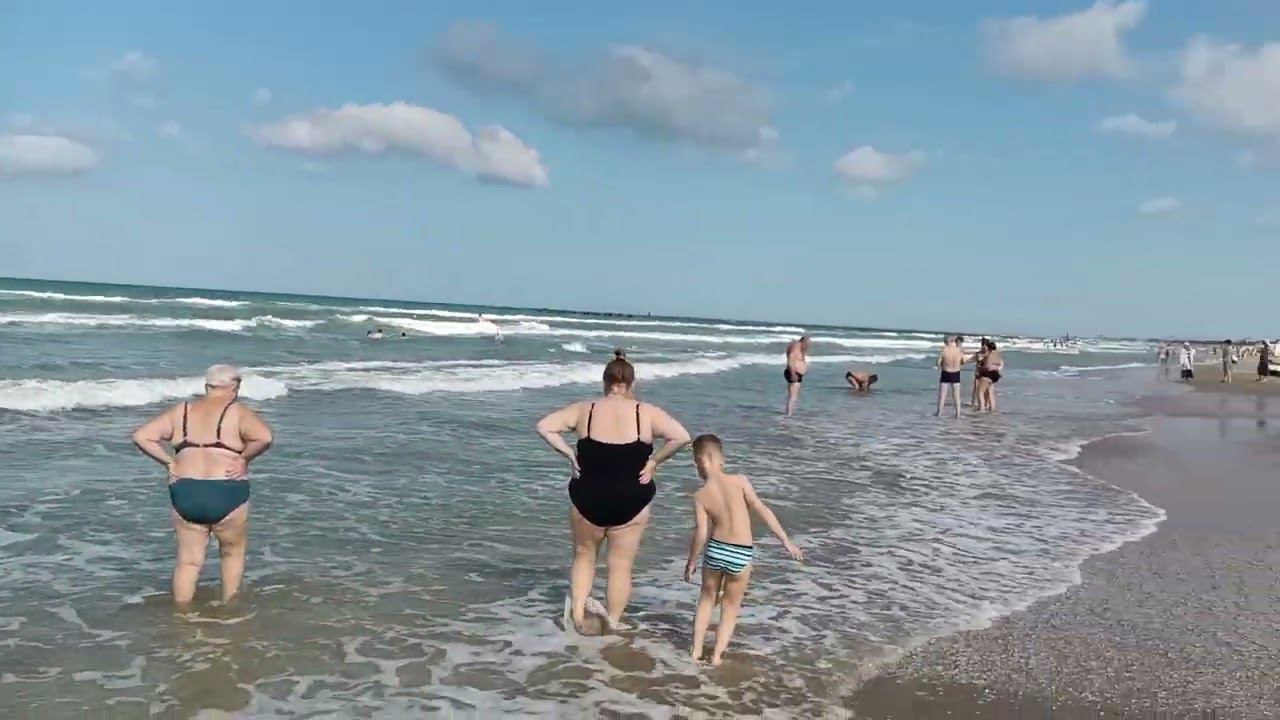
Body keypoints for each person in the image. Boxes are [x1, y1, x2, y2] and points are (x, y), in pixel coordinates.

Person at [535, 351, 692, 633]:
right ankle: (614, 623)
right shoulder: (645, 412)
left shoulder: (585, 410)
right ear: (632, 384)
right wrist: (654, 461)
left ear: (604, 382)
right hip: (632, 500)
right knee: (620, 566)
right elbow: (682, 437)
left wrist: (570, 454)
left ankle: (578, 619)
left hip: (587, 498)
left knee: (584, 557)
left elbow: (544, 427)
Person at [131, 365, 273, 606]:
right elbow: (265, 437)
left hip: (186, 491)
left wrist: (169, 462)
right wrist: (243, 459)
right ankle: (230, 608)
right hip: (226, 490)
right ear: (235, 387)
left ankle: (182, 615)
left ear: (207, 386)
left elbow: (141, 436)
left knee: (188, 561)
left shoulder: (182, 411)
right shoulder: (237, 411)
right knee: (231, 553)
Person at [683, 435, 802, 666]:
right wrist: (786, 541)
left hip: (716, 550)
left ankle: (696, 651)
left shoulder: (700, 495)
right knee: (730, 607)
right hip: (740, 553)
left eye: (695, 463)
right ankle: (716, 656)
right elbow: (762, 509)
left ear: (702, 461)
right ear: (720, 459)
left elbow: (701, 533)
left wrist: (691, 562)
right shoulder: (739, 481)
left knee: (706, 599)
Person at [936, 335, 970, 418]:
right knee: (956, 396)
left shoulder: (944, 350)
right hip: (956, 373)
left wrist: (942, 364)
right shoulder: (959, 350)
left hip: (945, 373)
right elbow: (964, 361)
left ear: (946, 342)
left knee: (942, 396)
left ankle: (939, 413)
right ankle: (957, 415)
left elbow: (938, 363)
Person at [783, 336, 811, 416]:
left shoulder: (799, 348)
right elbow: (791, 360)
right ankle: (788, 415)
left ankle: (788, 413)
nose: (808, 346)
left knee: (792, 395)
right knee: (793, 396)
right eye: (807, 344)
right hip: (794, 373)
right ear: (803, 342)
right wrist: (793, 373)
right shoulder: (795, 348)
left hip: (796, 373)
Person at [977, 340, 1005, 411]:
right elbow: (1001, 365)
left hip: (987, 374)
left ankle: (981, 409)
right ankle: (992, 409)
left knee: (980, 392)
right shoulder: (998, 356)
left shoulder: (989, 355)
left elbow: (987, 366)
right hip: (995, 375)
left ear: (989, 349)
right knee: (990, 394)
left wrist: (980, 368)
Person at [970, 339, 989, 408]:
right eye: (982, 345)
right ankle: (973, 403)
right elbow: (972, 360)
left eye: (985, 345)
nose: (984, 347)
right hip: (978, 373)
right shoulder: (978, 354)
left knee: (986, 390)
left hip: (986, 375)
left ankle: (986, 404)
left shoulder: (989, 354)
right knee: (975, 389)